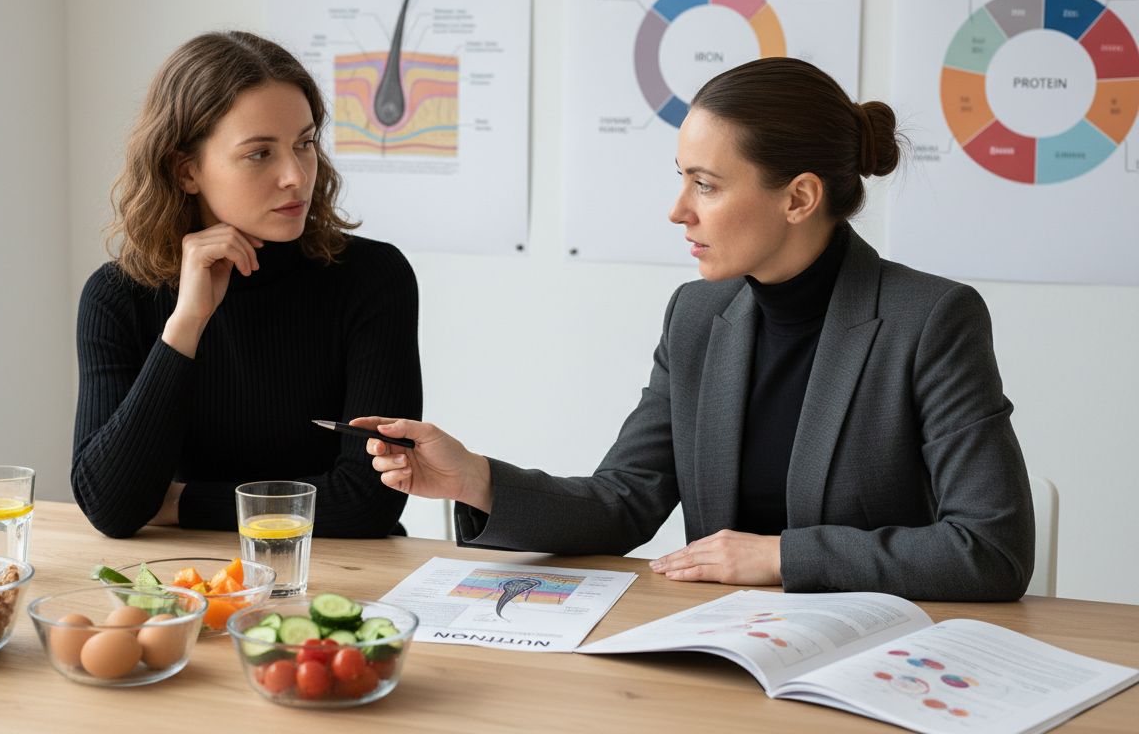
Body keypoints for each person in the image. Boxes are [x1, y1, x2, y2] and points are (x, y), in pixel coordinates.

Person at [356, 58, 1034, 601]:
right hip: (720, 647)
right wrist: (476, 479)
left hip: (871, 658)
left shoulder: (931, 319)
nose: (678, 210)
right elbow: (625, 500)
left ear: (799, 197)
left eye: (705, 185)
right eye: (682, 179)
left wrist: (779, 556)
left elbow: (990, 549)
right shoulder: (697, 315)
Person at [73, 31, 421, 538]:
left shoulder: (372, 278)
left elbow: (368, 502)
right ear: (186, 171)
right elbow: (111, 508)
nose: (296, 176)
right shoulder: (117, 297)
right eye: (260, 153)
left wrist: (182, 503)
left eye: (304, 144)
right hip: (188, 575)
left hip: (340, 570)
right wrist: (186, 323)